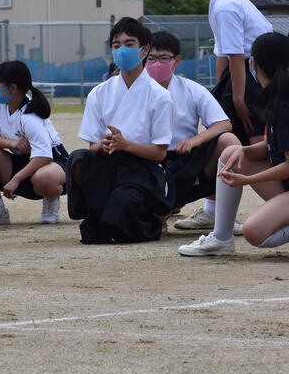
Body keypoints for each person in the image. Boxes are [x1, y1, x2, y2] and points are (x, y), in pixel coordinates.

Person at [179, 32, 289, 256]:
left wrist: (248, 179)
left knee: (254, 232)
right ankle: (221, 238)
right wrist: (245, 150)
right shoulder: (275, 97)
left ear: (254, 64)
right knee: (231, 153)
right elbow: (270, 146)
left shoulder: (284, 106)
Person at [67, 17, 175, 244]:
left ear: (144, 50)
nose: (122, 50)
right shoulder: (99, 93)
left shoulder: (160, 96)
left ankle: (153, 217)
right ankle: (96, 211)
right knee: (78, 158)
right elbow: (92, 146)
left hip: (142, 169)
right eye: (116, 45)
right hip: (109, 164)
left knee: (123, 203)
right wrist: (104, 144)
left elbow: (160, 153)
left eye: (129, 44)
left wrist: (127, 145)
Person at [143, 31, 242, 233]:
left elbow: (224, 124)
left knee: (229, 142)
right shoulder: (132, 90)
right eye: (151, 58)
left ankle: (219, 214)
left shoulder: (191, 89)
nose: (156, 63)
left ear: (176, 61)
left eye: (164, 58)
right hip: (147, 160)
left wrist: (196, 139)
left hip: (183, 157)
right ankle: (158, 211)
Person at [186, 0, 272, 145]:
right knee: (227, 121)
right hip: (242, 71)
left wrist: (238, 98)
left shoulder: (225, 6)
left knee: (252, 129)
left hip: (253, 72)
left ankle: (262, 164)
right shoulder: (223, 0)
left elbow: (236, 56)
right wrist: (222, 90)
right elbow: (222, 54)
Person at [0, 61, 68, 225]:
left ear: (12, 88)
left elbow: (44, 156)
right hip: (24, 160)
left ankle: (51, 198)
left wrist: (16, 179)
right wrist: (12, 143)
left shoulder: (30, 116)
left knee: (44, 179)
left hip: (52, 162)